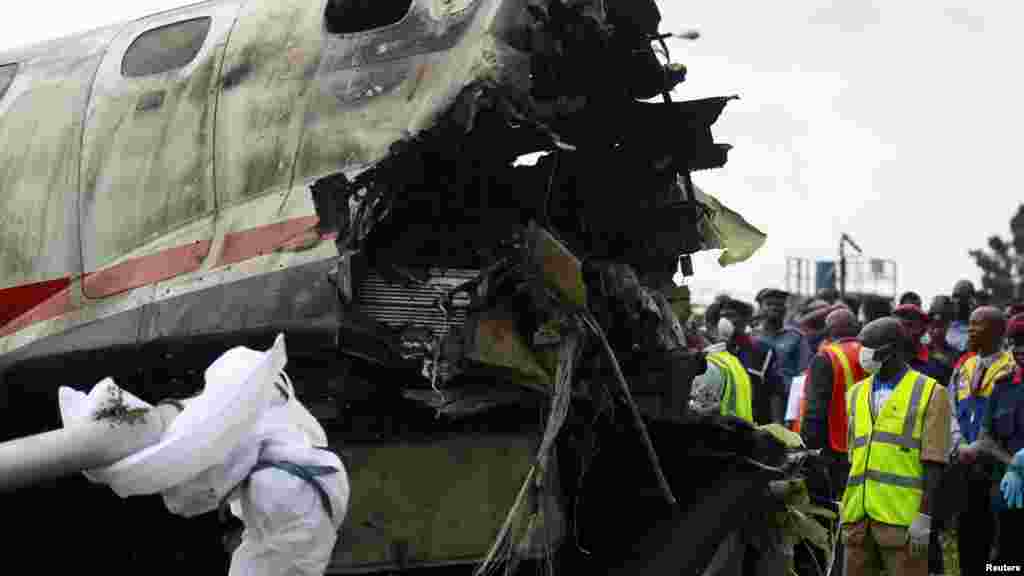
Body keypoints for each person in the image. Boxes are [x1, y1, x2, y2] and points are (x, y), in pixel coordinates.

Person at [841, 317, 950, 576]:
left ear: (889, 352)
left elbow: (934, 462)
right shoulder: (855, 393)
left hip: (902, 521)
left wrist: (924, 517)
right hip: (858, 519)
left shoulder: (931, 393)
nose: (861, 354)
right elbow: (853, 454)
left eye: (866, 348)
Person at [947, 306, 1014, 571]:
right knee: (968, 539)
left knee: (1001, 545)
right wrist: (958, 443)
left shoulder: (1011, 368)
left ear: (998, 331)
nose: (971, 329)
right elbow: (950, 410)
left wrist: (984, 447)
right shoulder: (963, 365)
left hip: (998, 470)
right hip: (966, 467)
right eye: (970, 323)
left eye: (978, 324)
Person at [981, 313, 1024, 563]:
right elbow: (985, 436)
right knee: (1004, 562)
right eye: (1016, 342)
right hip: (1008, 490)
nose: (1021, 349)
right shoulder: (1002, 387)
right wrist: (1013, 464)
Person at [718, 297, 779, 424]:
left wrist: (777, 424)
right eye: (722, 316)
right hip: (721, 423)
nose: (724, 321)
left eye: (731, 316)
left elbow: (775, 390)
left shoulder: (762, 350)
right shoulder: (714, 350)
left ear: (746, 320)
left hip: (755, 422)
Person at [754, 288, 810, 423]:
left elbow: (802, 375)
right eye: (769, 304)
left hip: (787, 403)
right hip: (758, 402)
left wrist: (795, 409)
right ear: (760, 308)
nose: (775, 308)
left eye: (779, 304)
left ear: (785, 309)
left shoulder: (796, 337)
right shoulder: (752, 337)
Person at [893, 304, 954, 385]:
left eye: (909, 325)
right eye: (897, 326)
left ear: (922, 330)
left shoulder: (939, 366)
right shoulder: (886, 363)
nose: (902, 331)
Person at [925, 295, 958, 370]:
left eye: (941, 324)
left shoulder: (956, 355)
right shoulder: (919, 352)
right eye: (932, 322)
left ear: (948, 324)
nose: (936, 330)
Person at [946, 279, 977, 357]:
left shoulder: (977, 328)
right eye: (955, 297)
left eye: (960, 298)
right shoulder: (943, 326)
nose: (956, 301)